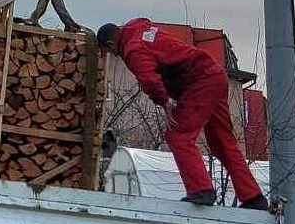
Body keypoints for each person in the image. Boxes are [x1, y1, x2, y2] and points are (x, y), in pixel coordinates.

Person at [97, 20, 268, 209]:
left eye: (109, 52)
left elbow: (149, 80)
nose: (113, 56)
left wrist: (163, 102)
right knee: (222, 142)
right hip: (214, 76)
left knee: (178, 135)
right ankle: (253, 198)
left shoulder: (132, 49)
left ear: (111, 45)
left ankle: (201, 189)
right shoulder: (137, 27)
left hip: (199, 82)